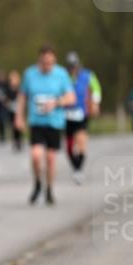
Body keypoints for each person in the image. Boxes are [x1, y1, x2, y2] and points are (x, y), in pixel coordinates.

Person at [15, 45, 76, 206]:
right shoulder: (30, 74)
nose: (47, 66)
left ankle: (49, 189)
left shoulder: (61, 74)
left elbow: (71, 97)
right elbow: (22, 97)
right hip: (36, 122)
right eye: (44, 63)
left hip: (54, 122)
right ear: (39, 60)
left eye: (50, 63)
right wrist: (19, 117)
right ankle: (37, 183)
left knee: (50, 158)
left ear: (54, 61)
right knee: (35, 156)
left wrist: (56, 102)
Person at [63, 51, 102, 184]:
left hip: (82, 113)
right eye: (70, 66)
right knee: (68, 146)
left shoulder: (87, 75)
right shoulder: (63, 76)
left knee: (81, 142)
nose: (72, 69)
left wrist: (95, 103)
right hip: (66, 114)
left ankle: (78, 169)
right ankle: (75, 167)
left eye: (74, 65)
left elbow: (96, 88)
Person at [5, 69, 23, 152]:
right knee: (13, 126)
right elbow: (6, 99)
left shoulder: (21, 88)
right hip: (11, 109)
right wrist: (8, 103)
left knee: (18, 126)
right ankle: (15, 141)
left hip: (19, 109)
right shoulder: (8, 89)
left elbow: (23, 98)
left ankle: (19, 141)